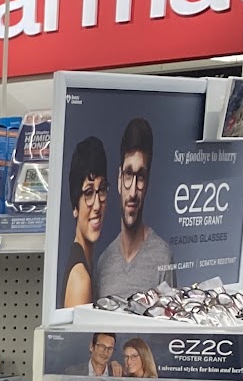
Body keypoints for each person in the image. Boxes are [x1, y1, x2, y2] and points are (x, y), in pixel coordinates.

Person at [99, 117, 172, 295]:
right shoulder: (103, 263)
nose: (132, 192)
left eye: (140, 177)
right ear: (119, 179)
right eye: (128, 174)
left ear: (147, 183)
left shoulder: (163, 256)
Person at [61, 136, 107, 306]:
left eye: (102, 190)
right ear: (75, 206)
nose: (97, 205)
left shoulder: (86, 263)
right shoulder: (80, 279)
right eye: (88, 193)